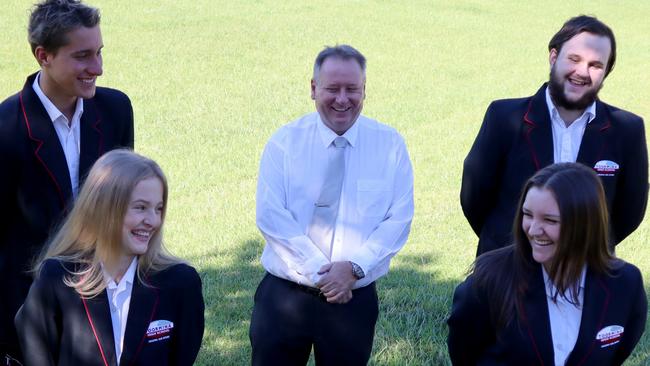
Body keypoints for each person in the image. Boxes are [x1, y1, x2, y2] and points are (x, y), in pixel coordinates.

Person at [251, 44, 414, 365]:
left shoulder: (389, 144)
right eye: (332, 88)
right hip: (285, 295)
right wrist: (323, 274)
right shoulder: (284, 142)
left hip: (353, 299)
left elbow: (399, 218)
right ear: (313, 89)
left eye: (352, 89)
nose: (342, 99)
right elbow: (271, 215)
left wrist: (352, 269)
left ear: (364, 90)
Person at [0, 0, 134, 361]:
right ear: (43, 56)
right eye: (83, 56)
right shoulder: (6, 129)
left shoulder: (116, 110)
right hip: (31, 314)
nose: (98, 68)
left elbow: (121, 204)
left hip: (106, 305)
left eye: (100, 53)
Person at [460, 15, 648, 256]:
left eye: (596, 65)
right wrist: (509, 245)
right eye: (574, 59)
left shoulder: (627, 130)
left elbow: (629, 212)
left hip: (585, 274)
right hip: (508, 269)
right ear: (553, 57)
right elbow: (474, 196)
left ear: (606, 72)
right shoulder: (504, 117)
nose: (582, 72)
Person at [15, 149, 204, 366]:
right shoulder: (57, 280)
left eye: (158, 209)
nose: (153, 221)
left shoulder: (180, 284)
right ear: (104, 209)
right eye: (140, 208)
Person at [448, 163, 647, 365]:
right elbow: (464, 352)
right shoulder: (489, 279)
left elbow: (614, 355)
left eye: (550, 220)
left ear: (586, 225)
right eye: (527, 214)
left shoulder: (626, 285)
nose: (533, 230)